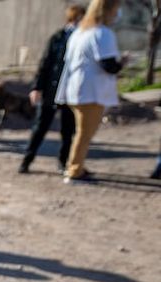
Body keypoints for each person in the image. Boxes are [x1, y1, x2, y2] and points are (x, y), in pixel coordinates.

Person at [55, 0, 128, 183]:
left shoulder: (80, 33)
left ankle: (75, 165)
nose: (117, 14)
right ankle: (74, 170)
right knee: (84, 133)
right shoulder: (102, 34)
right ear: (108, 11)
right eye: (116, 10)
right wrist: (123, 62)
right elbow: (109, 65)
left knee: (81, 132)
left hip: (75, 90)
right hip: (90, 92)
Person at [19, 5, 85, 174]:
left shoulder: (83, 38)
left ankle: (64, 162)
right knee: (40, 127)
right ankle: (27, 159)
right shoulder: (57, 37)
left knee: (68, 130)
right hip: (52, 90)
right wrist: (37, 87)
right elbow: (45, 64)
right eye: (79, 17)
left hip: (70, 92)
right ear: (73, 18)